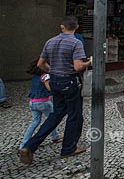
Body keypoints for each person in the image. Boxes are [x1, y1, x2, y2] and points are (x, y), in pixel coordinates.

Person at [19, 16, 92, 164]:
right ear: (76, 27)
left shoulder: (50, 41)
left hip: (55, 81)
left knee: (56, 114)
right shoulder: (76, 43)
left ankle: (29, 146)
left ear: (62, 27)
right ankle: (69, 148)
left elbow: (40, 64)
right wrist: (90, 61)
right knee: (74, 115)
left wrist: (53, 71)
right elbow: (78, 67)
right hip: (70, 81)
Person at [20, 60, 63, 149]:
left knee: (34, 122)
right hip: (44, 102)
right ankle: (55, 136)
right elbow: (49, 88)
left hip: (33, 102)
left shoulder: (35, 76)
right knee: (52, 119)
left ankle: (23, 144)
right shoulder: (45, 76)